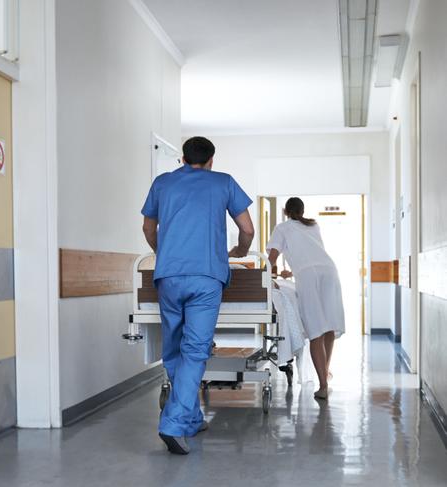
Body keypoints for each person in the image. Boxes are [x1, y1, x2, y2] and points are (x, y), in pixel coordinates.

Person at [141, 136, 254, 455]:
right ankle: (173, 423)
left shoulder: (162, 183)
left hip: (169, 277)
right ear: (211, 160)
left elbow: (149, 228)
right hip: (206, 277)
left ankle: (190, 417)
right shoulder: (223, 183)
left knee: (174, 348)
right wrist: (239, 252)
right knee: (195, 349)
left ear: (181, 159)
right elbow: (247, 229)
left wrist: (165, 253)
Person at [266, 197, 345, 400]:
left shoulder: (282, 228)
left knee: (315, 329)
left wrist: (267, 277)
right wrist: (291, 274)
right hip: (329, 271)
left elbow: (272, 258)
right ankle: (324, 376)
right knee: (328, 326)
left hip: (309, 276)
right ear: (302, 210)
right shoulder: (313, 225)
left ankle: (323, 385)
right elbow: (314, 259)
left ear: (285, 211)